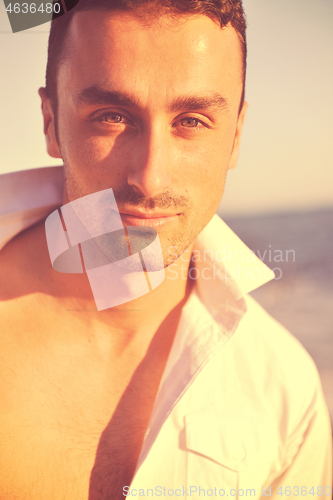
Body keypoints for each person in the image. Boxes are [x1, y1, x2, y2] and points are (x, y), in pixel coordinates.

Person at [0, 0, 331, 499]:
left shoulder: (284, 391)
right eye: (111, 116)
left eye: (192, 120)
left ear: (236, 134)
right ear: (52, 122)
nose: (149, 178)